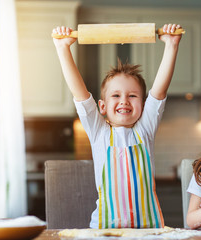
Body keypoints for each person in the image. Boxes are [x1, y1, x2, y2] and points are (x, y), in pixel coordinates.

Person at [52, 23, 183, 229]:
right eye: (116, 95)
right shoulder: (98, 131)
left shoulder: (145, 129)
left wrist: (171, 45)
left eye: (132, 95)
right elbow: (80, 94)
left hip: (149, 231)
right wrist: (63, 48)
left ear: (143, 104)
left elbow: (159, 90)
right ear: (102, 106)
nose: (124, 101)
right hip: (104, 229)